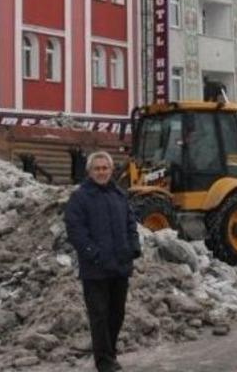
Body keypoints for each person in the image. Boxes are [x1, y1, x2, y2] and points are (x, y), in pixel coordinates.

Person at [64, 151, 141, 372]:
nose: (101, 172)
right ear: (89, 171)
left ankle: (110, 354)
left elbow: (131, 224)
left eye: (105, 168)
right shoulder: (80, 198)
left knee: (116, 315)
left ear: (111, 170)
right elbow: (75, 231)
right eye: (97, 168)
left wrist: (133, 248)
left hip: (120, 267)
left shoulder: (119, 195)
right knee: (99, 317)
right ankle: (104, 363)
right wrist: (93, 254)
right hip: (95, 270)